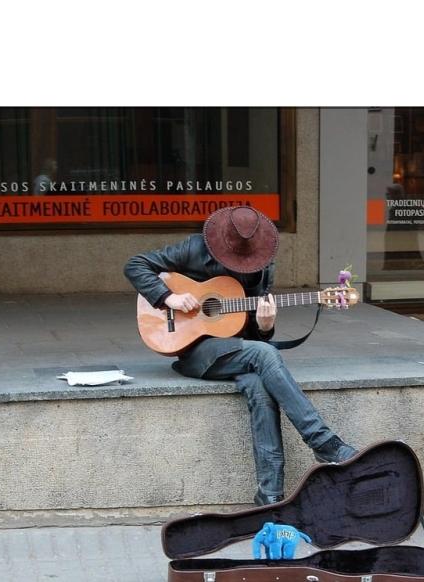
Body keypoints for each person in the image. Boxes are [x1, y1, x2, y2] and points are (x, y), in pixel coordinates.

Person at [124, 205, 357, 506]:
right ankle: (323, 442)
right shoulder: (195, 248)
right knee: (262, 355)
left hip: (235, 350)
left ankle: (270, 496)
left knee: (259, 383)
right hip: (195, 350)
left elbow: (252, 335)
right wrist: (169, 297)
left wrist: (265, 325)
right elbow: (135, 265)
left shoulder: (263, 266)